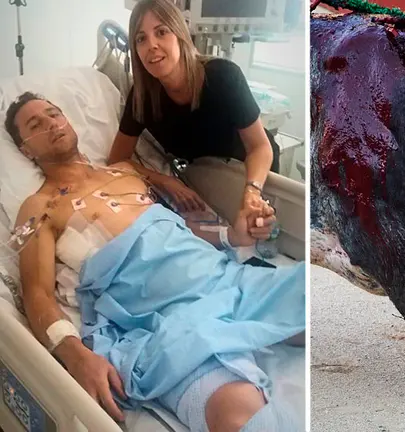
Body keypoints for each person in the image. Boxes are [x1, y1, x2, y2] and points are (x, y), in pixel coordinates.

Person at [5, 92, 305, 431]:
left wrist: (232, 237)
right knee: (238, 411)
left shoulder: (124, 172)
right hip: (163, 317)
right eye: (35, 124)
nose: (51, 123)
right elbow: (37, 295)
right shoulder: (39, 206)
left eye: (53, 113)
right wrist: (77, 357)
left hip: (224, 279)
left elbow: (175, 227)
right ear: (26, 149)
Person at [108, 0, 276, 231]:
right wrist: (165, 182)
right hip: (206, 176)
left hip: (250, 167)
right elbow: (116, 161)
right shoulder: (142, 97)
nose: (152, 45)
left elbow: (259, 147)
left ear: (180, 34)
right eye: (141, 38)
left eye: (161, 32)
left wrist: (253, 190)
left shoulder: (223, 77)